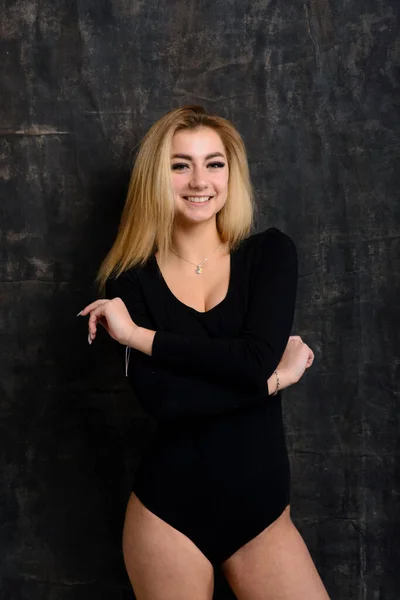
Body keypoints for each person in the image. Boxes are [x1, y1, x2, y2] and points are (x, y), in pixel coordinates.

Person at [78, 106, 330, 600]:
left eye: (214, 163)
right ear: (158, 177)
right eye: (180, 165)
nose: (199, 181)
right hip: (167, 514)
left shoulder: (270, 255)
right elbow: (167, 404)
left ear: (231, 175)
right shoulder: (129, 285)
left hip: (261, 515)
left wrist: (141, 338)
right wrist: (278, 381)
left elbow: (252, 359)